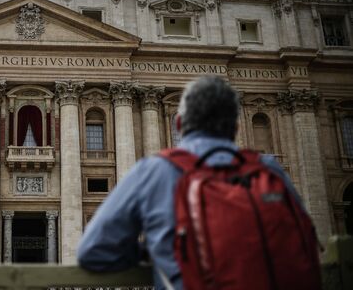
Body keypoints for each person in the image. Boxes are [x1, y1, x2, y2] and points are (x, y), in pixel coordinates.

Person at [78, 76, 305, 289]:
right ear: (236, 127)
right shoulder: (269, 169)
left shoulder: (155, 171)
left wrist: (157, 251)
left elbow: (93, 250)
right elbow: (303, 241)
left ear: (178, 124)